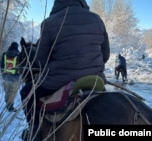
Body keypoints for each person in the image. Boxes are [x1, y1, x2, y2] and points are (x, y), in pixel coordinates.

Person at [20, 0, 110, 140]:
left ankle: (35, 131)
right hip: (95, 79)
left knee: (26, 92)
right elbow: (106, 55)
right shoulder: (96, 19)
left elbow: (40, 61)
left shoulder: (49, 23)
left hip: (59, 81)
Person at [0, 42, 20, 112]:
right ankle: (10, 107)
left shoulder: (5, 54)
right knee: (12, 92)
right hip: (15, 77)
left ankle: (7, 103)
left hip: (6, 76)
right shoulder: (19, 55)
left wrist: (3, 74)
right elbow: (20, 66)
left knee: (7, 90)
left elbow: (2, 65)